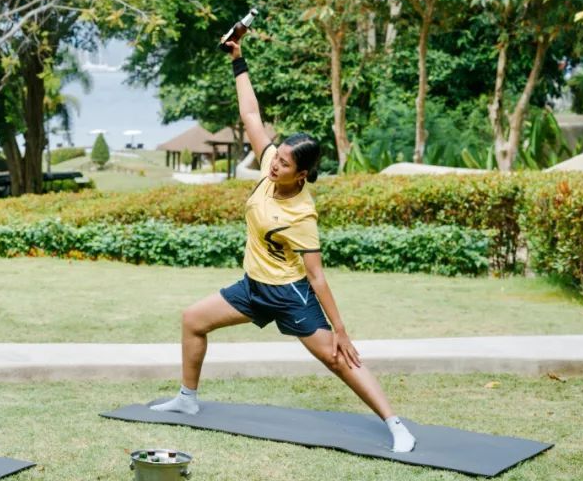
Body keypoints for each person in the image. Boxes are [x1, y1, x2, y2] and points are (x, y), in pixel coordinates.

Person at [150, 36, 416, 454]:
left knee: (336, 359)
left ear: (303, 174)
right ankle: (187, 399)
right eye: (276, 157)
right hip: (253, 286)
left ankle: (396, 424)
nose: (274, 163)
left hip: (290, 295)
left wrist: (341, 331)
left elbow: (317, 277)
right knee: (192, 319)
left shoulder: (302, 215)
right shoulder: (269, 169)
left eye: (285, 163)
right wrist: (239, 60)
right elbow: (251, 113)